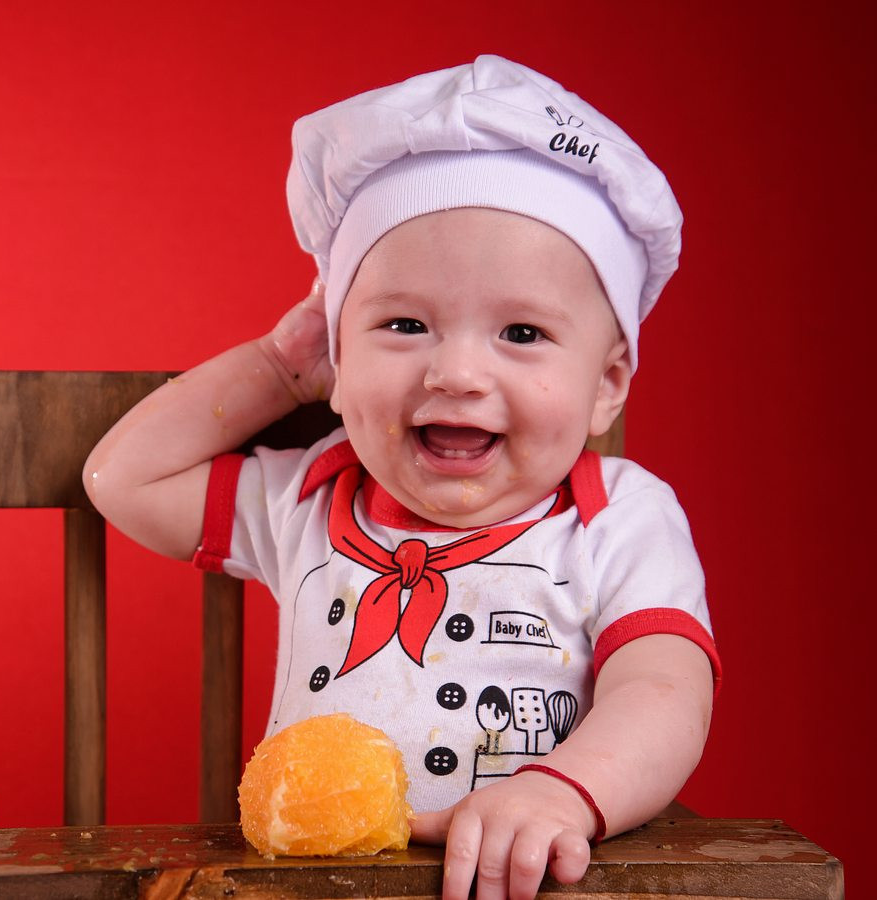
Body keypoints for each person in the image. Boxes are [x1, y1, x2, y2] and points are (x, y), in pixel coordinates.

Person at [84, 55, 720, 900]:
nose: (455, 373)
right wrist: (278, 367)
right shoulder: (306, 500)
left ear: (604, 385)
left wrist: (561, 794)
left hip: (519, 885)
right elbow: (121, 478)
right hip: (312, 887)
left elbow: (664, 689)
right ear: (337, 358)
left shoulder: (616, 518)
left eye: (521, 334)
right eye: (404, 323)